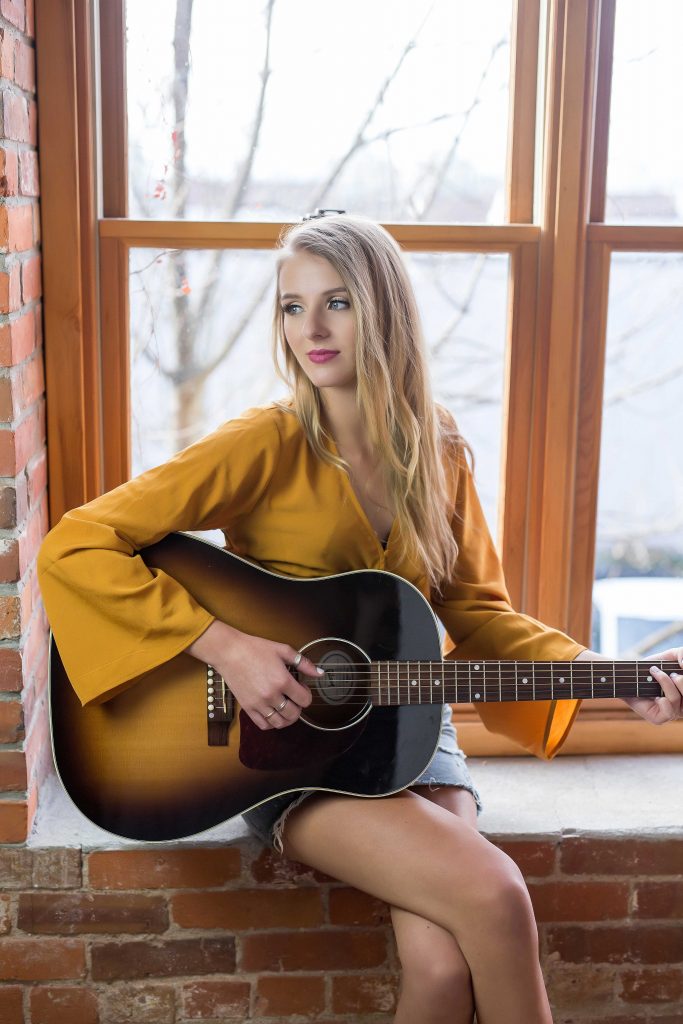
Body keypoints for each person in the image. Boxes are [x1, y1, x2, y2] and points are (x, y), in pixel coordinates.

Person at [38, 213, 683, 1024]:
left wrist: (604, 676)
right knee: (497, 893)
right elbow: (79, 542)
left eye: (335, 302)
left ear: (382, 310)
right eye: (289, 305)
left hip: (414, 735)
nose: (309, 328)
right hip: (285, 750)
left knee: (443, 971)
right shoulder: (263, 442)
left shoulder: (436, 448)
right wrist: (226, 647)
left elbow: (477, 611)